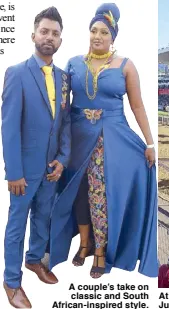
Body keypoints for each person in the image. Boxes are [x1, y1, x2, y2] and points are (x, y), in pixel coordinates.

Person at [48, 3, 157, 279]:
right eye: (93, 30)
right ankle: (84, 243)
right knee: (77, 192)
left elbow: (138, 106)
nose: (97, 36)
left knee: (99, 194)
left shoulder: (126, 66)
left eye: (104, 32)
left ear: (113, 37)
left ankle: (101, 252)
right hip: (76, 138)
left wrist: (150, 142)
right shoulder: (72, 63)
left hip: (110, 139)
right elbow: (61, 106)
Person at [1, 7, 71, 308]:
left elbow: (65, 122)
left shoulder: (64, 79)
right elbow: (9, 127)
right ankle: (11, 281)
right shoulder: (17, 74)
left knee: (43, 218)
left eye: (55, 33)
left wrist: (64, 158)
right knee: (17, 225)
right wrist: (13, 172)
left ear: (60, 40)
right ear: (33, 35)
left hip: (51, 168)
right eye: (44, 31)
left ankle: (34, 260)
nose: (49, 37)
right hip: (24, 171)